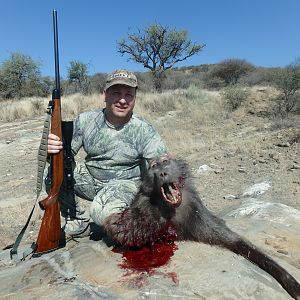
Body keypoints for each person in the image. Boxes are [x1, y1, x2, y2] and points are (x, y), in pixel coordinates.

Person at [47, 69, 168, 237]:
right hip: (92, 179)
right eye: (116, 93)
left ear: (135, 98)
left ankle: (137, 220)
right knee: (53, 172)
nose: (123, 100)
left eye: (129, 95)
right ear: (104, 95)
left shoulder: (143, 129)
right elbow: (63, 157)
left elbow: (160, 161)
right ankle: (77, 221)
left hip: (125, 184)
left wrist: (162, 168)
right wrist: (52, 149)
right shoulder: (86, 120)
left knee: (101, 213)